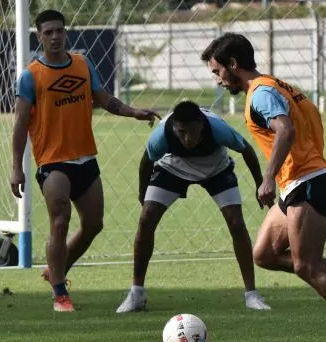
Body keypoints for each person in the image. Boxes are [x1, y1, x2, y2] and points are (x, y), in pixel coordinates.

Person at [201, 33, 326, 342]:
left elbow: (285, 130)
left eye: (218, 72)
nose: (218, 80)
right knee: (264, 254)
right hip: (297, 181)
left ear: (233, 65)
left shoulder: (260, 94)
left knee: (307, 266)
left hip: (306, 181)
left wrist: (269, 177)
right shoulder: (276, 84)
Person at [10, 9, 160, 313]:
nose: (54, 36)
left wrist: (134, 112)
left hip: (85, 160)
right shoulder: (31, 76)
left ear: (66, 33)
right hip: (53, 163)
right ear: (38, 36)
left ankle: (57, 270)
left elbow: (105, 100)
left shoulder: (81, 64)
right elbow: (20, 124)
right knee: (60, 221)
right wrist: (16, 167)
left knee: (93, 224)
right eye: (48, 32)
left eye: (59, 31)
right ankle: (60, 294)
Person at [115, 100, 271, 313]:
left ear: (202, 125)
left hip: (216, 168)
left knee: (236, 223)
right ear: (174, 128)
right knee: (146, 219)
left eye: (192, 132)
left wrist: (259, 185)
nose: (187, 138)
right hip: (174, 167)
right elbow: (146, 162)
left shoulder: (218, 129)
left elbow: (247, 150)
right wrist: (143, 194)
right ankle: (136, 294)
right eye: (181, 132)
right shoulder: (162, 135)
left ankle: (251, 295)